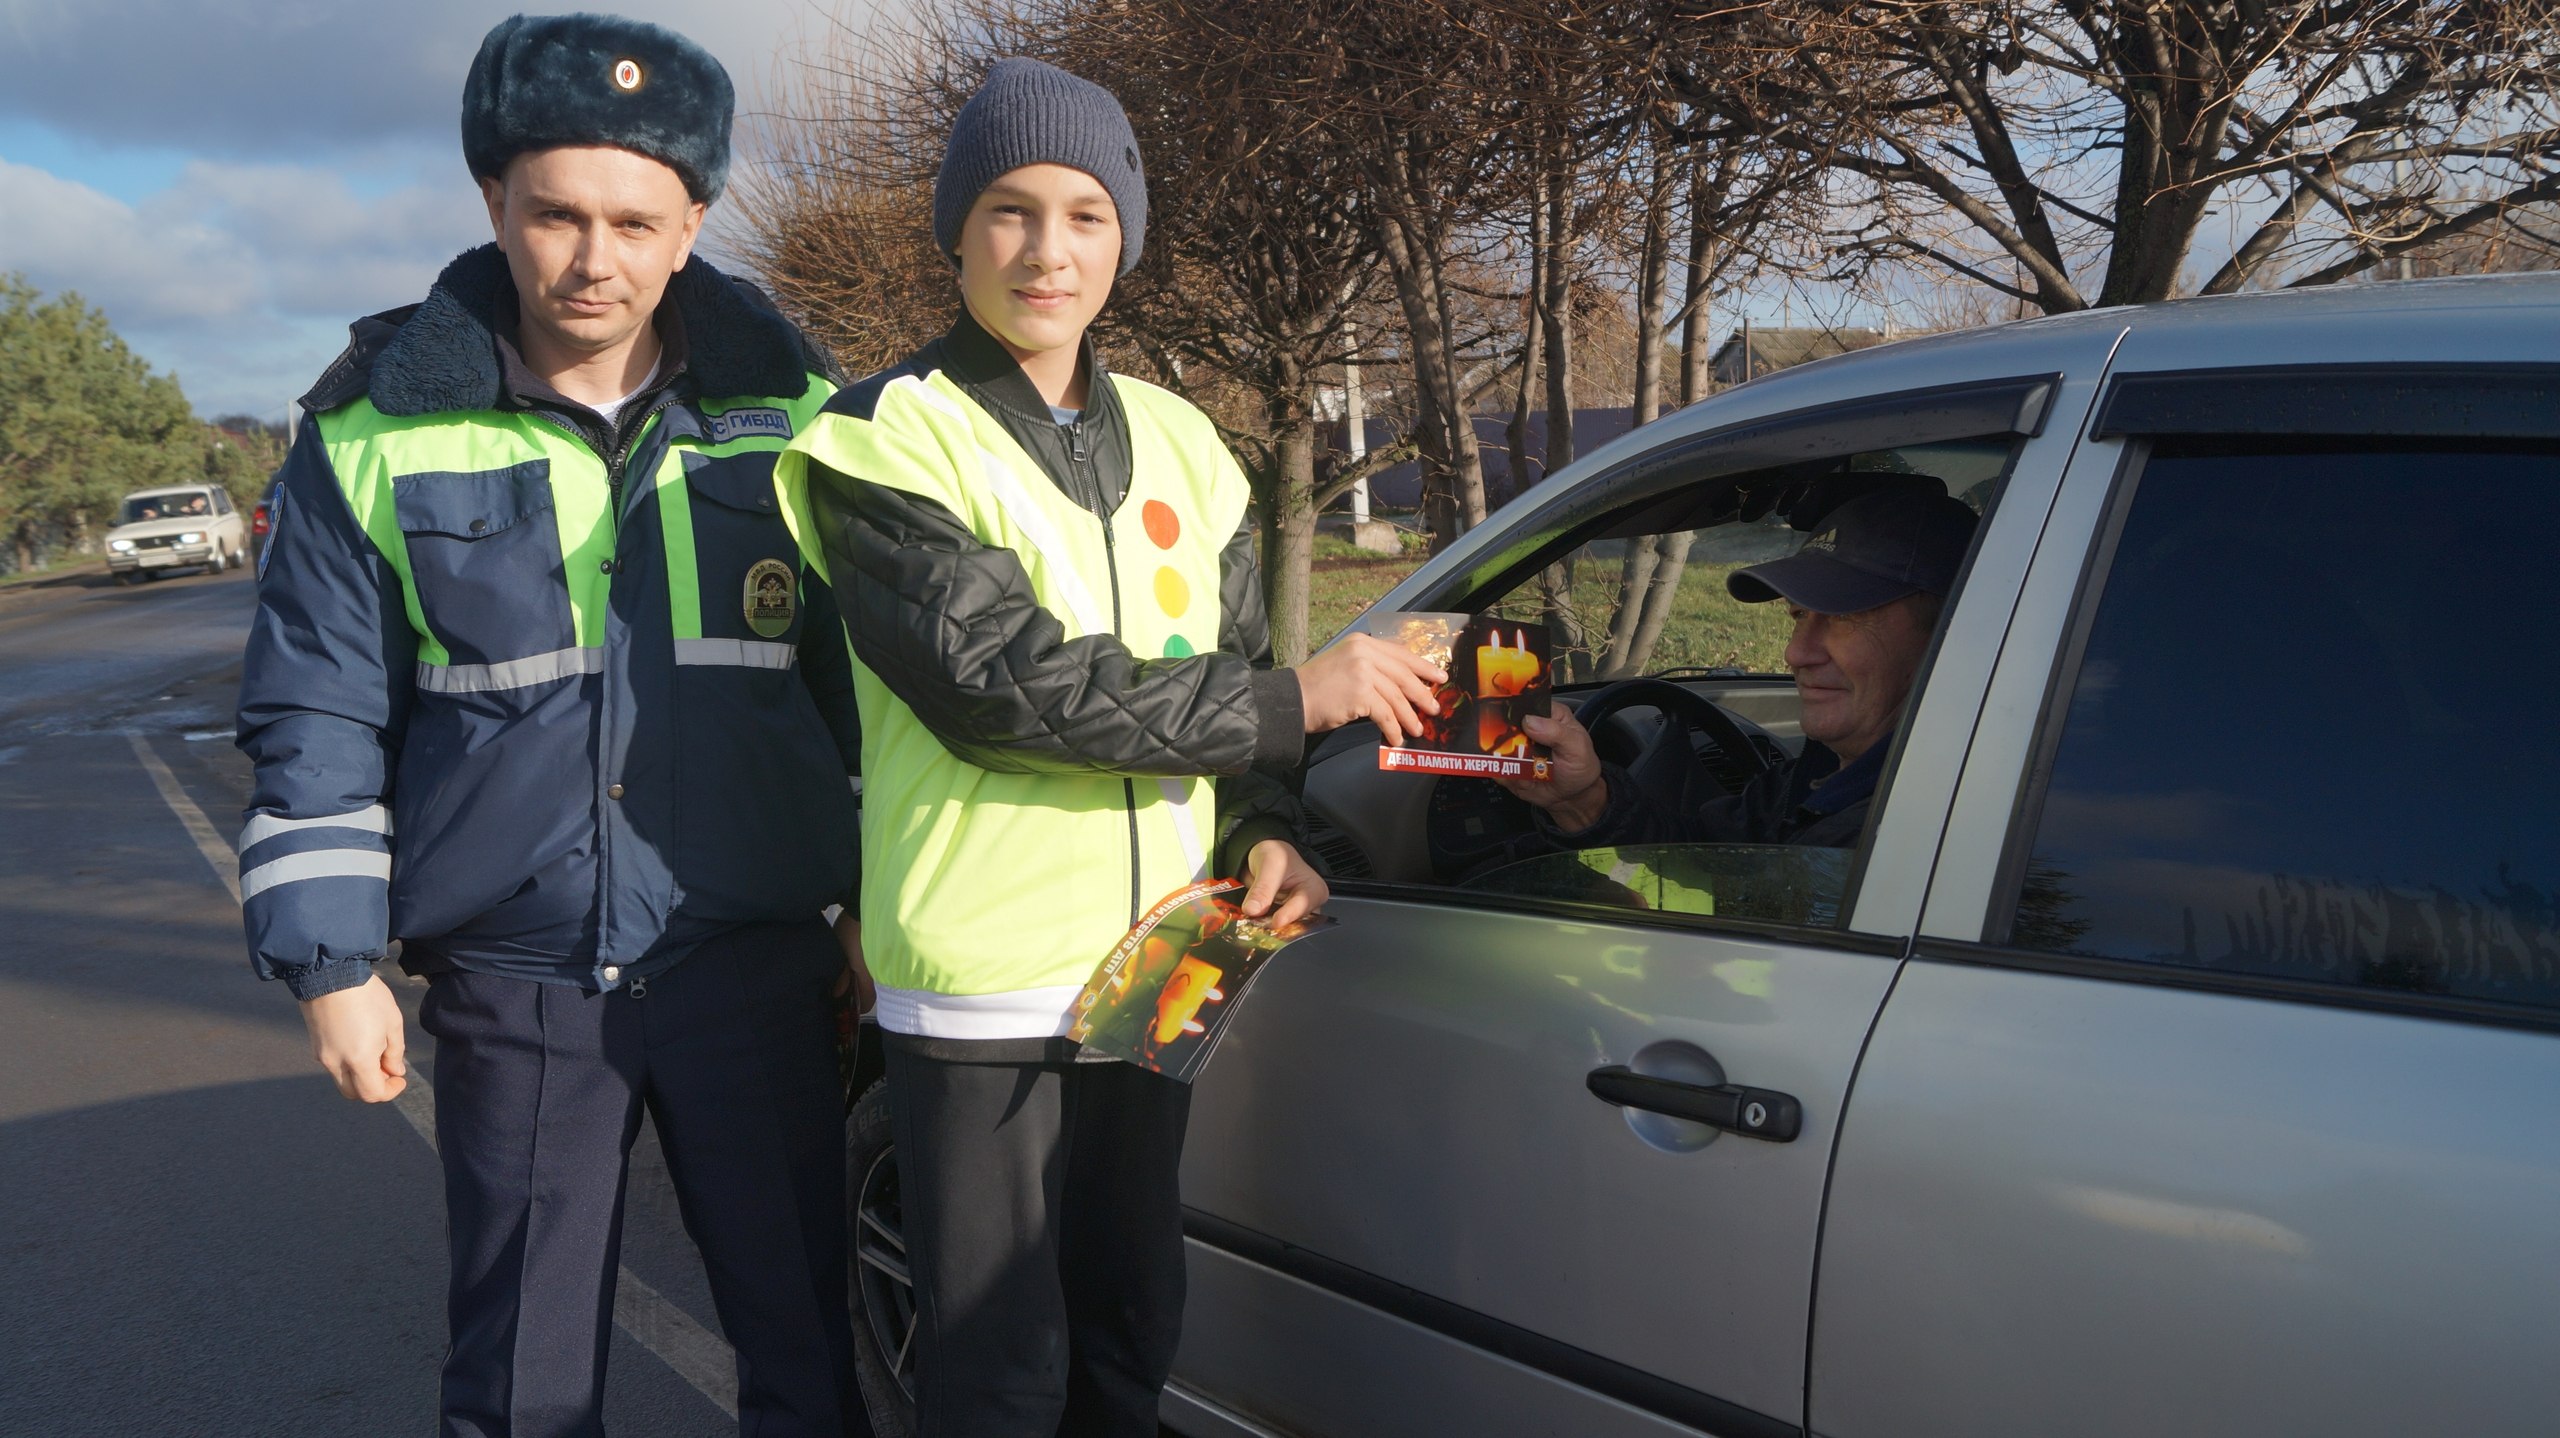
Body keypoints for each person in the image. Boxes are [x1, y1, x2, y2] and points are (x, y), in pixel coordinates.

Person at [775, 58, 1442, 1437]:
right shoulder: (883, 436)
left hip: (1159, 963)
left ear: (1124, 236)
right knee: (1001, 1369)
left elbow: (1234, 677)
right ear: (955, 230)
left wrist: (1267, 827)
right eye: (1010, 211)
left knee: (1130, 1328)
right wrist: (1292, 708)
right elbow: (1002, 685)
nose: (1048, 250)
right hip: (982, 986)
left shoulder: (1193, 445)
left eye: (1086, 214)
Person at [235, 16, 869, 1436]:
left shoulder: (801, 420)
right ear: (492, 204)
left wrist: (874, 899)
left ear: (693, 218)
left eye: (638, 221)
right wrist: (333, 960)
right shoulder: (368, 434)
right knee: (521, 1378)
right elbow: (315, 707)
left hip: (750, 969)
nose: (597, 261)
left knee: (807, 1353)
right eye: (557, 215)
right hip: (521, 988)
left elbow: (860, 689)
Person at [1502, 484, 1978, 849]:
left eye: (1845, 618)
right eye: (1799, 615)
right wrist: (1584, 802)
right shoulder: (1816, 778)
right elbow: (1700, 872)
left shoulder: (1906, 829)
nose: (1796, 653)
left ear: (1948, 639)